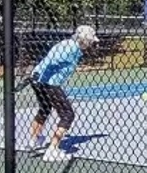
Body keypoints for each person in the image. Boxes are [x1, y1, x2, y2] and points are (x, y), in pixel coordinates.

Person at [25, 25, 100, 162]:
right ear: (84, 39)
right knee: (68, 115)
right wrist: (37, 74)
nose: (91, 43)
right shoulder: (70, 47)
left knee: (45, 108)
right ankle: (52, 150)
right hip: (49, 82)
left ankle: (34, 140)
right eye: (90, 41)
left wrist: (35, 74)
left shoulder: (71, 46)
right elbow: (52, 60)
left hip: (39, 81)